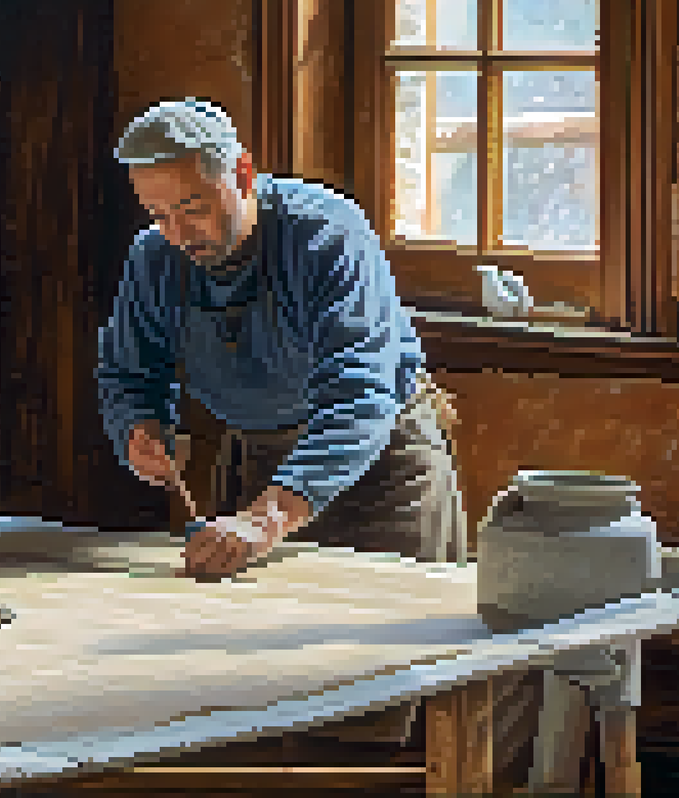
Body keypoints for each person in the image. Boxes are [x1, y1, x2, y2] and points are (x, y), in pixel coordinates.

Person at [97, 98, 470, 579]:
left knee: (394, 635)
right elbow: (130, 371)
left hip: (381, 467)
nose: (178, 233)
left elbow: (359, 394)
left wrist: (268, 518)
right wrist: (139, 427)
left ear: (243, 174)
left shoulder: (326, 234)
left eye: (194, 208)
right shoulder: (154, 256)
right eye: (158, 213)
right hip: (258, 464)